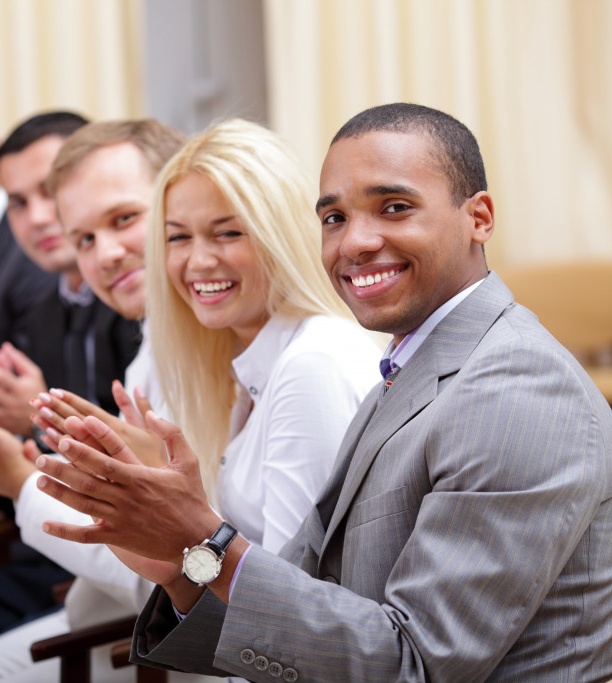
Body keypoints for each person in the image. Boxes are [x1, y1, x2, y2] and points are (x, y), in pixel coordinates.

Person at [36, 103, 612, 681]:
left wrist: (202, 539)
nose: (356, 241)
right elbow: (315, 604)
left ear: (479, 217)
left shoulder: (515, 389)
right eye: (334, 218)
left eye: (394, 207)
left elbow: (417, 665)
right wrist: (183, 569)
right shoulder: (408, 363)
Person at [0, 119, 384, 682]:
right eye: (179, 237)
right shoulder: (230, 359)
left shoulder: (310, 365)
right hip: (170, 635)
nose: (197, 261)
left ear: (277, 229)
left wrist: (18, 476)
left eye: (227, 232)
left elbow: (289, 617)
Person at [0, 119, 188, 682]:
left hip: (151, 620)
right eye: (19, 202)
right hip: (96, 583)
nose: (105, 252)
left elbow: (198, 565)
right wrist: (27, 444)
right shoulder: (96, 317)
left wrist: (22, 462)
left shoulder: (141, 313)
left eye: (123, 219)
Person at [0, 111, 141, 438]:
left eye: (50, 191)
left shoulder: (136, 291)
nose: (38, 218)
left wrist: (38, 422)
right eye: (18, 203)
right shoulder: (45, 312)